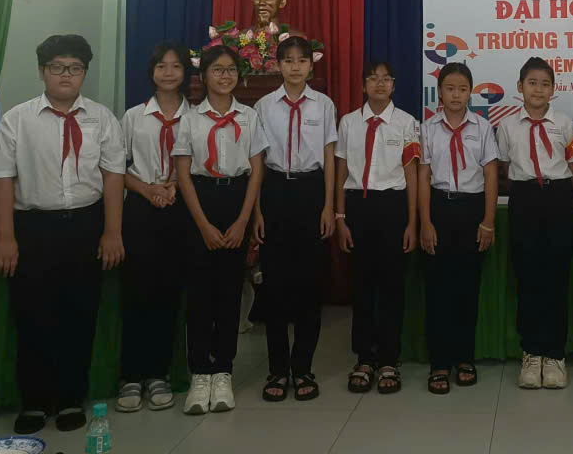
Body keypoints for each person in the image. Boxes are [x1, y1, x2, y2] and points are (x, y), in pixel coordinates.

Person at [0, 34, 126, 436]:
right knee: (32, 314)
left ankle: (69, 399)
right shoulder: (18, 119)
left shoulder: (102, 118)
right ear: (42, 71)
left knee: (79, 314)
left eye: (75, 68)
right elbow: (1, 178)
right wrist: (6, 237)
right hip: (34, 228)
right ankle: (34, 401)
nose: (66, 75)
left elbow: (113, 177)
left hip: (85, 225)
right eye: (57, 67)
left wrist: (112, 232)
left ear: (84, 73)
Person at [174, 45, 264, 415]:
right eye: (217, 70)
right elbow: (182, 174)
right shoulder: (190, 119)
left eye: (230, 70)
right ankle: (200, 372)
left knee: (229, 291)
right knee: (199, 293)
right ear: (203, 77)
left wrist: (244, 219)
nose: (224, 76)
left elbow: (256, 170)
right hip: (200, 201)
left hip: (236, 199)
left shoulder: (249, 117)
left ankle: (223, 369)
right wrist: (202, 224)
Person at [254, 35, 338, 402]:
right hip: (275, 191)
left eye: (301, 60)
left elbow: (330, 156)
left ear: (310, 66)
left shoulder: (324, 105)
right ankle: (277, 368)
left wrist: (328, 206)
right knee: (274, 286)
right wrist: (258, 209)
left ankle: (303, 367)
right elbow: (257, 161)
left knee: (309, 285)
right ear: (278, 65)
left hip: (311, 191)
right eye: (288, 60)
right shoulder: (263, 106)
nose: (295, 67)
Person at [334, 60, 421, 395]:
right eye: (373, 79)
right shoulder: (349, 123)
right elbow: (342, 171)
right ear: (363, 85)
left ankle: (388, 359)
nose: (380, 84)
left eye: (386, 79)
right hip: (358, 206)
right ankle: (364, 359)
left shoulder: (407, 123)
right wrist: (340, 217)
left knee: (391, 288)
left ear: (394, 85)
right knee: (362, 286)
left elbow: (411, 175)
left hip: (393, 207)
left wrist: (411, 222)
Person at [115, 42, 191, 415]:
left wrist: (175, 186)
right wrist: (147, 190)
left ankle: (159, 374)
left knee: (168, 292)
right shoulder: (133, 116)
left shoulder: (196, 116)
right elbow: (116, 166)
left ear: (185, 73)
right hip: (141, 209)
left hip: (181, 207)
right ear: (152, 72)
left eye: (175, 66)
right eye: (162, 66)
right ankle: (131, 375)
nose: (168, 72)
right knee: (137, 291)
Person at [498, 57, 573, 390]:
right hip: (524, 198)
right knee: (528, 275)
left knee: (556, 276)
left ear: (553, 90)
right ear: (520, 87)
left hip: (559, 197)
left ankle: (555, 354)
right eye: (532, 83)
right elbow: (504, 168)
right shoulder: (507, 126)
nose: (538, 89)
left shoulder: (565, 123)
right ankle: (531, 352)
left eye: (545, 84)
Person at [418, 62, 499, 395]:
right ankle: (439, 362)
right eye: (450, 88)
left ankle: (464, 357)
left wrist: (488, 221)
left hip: (471, 210)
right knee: (437, 290)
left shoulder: (483, 127)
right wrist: (425, 222)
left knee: (467, 288)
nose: (456, 95)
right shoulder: (427, 129)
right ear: (440, 92)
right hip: (439, 207)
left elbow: (491, 174)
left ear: (470, 93)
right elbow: (423, 176)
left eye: (462, 89)